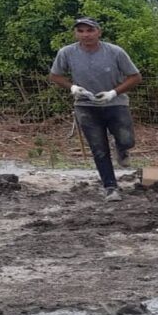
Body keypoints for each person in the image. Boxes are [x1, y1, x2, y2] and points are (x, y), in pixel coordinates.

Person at [49, 17, 142, 202]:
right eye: (81, 31)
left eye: (90, 30)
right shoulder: (67, 53)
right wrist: (72, 88)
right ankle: (110, 187)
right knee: (99, 149)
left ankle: (122, 148)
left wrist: (113, 93)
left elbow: (135, 77)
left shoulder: (115, 52)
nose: (86, 35)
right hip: (86, 106)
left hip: (115, 104)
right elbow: (55, 76)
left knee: (127, 139)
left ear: (98, 32)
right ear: (75, 33)